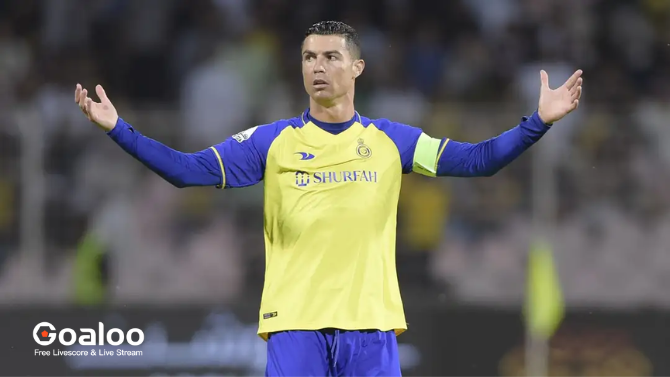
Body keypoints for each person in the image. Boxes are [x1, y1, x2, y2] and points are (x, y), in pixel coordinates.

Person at [74, 20, 582, 377]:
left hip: (371, 327)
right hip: (295, 327)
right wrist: (119, 129)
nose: (318, 67)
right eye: (309, 57)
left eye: (331, 57)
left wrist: (537, 123)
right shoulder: (272, 142)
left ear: (357, 67)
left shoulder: (392, 140)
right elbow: (187, 172)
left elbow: (477, 161)